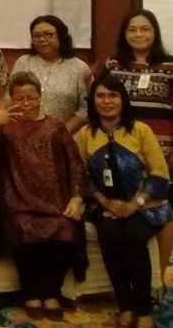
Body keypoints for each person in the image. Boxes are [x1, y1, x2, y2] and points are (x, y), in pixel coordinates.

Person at [0, 71, 86, 321]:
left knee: (65, 229)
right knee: (23, 228)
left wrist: (77, 197)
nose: (26, 104)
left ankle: (50, 292)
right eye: (20, 99)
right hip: (16, 198)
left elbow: (75, 164)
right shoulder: (6, 126)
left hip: (55, 200)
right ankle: (31, 293)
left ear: (40, 97)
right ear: (12, 99)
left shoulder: (55, 126)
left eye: (31, 98)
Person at [75, 73, 171, 328]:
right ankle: (125, 307)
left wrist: (133, 204)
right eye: (101, 96)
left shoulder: (141, 130)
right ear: (93, 101)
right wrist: (104, 202)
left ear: (123, 100)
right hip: (104, 205)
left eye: (112, 95)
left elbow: (160, 174)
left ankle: (144, 310)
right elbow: (80, 176)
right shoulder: (85, 134)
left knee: (134, 237)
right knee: (110, 236)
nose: (106, 101)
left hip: (145, 204)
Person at [105, 9, 173, 276]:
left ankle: (161, 279)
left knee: (163, 210)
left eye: (145, 29)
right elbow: (103, 107)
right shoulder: (113, 65)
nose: (138, 34)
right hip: (124, 154)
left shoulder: (169, 66)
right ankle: (133, 276)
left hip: (163, 153)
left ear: (155, 33)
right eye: (132, 29)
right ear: (124, 34)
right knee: (129, 210)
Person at [11, 15, 90, 133]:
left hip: (65, 134)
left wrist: (62, 133)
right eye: (36, 36)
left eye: (48, 34)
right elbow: (10, 97)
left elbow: (85, 108)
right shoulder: (23, 62)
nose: (42, 39)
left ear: (61, 36)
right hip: (24, 133)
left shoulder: (79, 67)